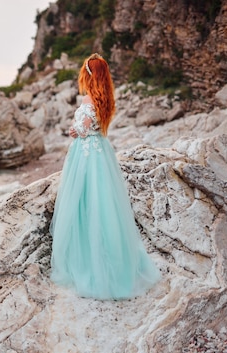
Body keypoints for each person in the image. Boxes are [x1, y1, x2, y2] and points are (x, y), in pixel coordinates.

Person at [49, 53, 160, 300]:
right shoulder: (105, 99)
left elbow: (83, 128)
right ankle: (112, 261)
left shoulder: (89, 100)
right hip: (101, 153)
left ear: (88, 75)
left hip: (85, 156)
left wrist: (73, 130)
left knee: (84, 204)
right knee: (104, 204)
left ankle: (89, 265)